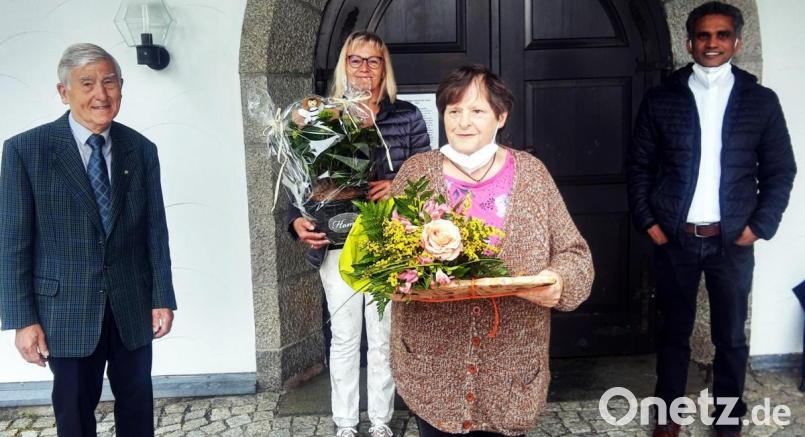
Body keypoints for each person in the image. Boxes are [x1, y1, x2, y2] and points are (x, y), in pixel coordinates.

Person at [387, 64, 594, 436]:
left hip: (511, 376)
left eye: (477, 110)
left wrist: (558, 282)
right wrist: (398, 273)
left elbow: (575, 253)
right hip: (434, 375)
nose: (464, 122)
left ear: (501, 116)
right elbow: (385, 254)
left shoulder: (532, 175)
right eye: (454, 110)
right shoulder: (416, 174)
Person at [627, 3, 796, 436]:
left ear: (737, 42)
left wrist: (759, 226)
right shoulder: (663, 97)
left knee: (732, 338)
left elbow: (780, 170)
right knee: (672, 333)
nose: (712, 43)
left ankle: (728, 418)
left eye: (722, 35)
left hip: (732, 240)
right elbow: (639, 165)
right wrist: (649, 221)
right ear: (689, 42)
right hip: (675, 238)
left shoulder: (760, 101)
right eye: (703, 35)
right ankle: (669, 415)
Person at [0, 43, 177, 436]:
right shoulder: (25, 151)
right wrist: (22, 320)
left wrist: (162, 296)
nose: (101, 94)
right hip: (65, 311)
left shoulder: (140, 150)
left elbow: (155, 230)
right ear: (63, 92)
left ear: (121, 87)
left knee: (137, 407)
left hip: (131, 303)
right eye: (87, 84)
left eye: (110, 82)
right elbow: (12, 245)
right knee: (74, 414)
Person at [287, 31, 431, 437]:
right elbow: (297, 181)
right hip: (335, 241)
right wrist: (295, 222)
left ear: (384, 68)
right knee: (346, 336)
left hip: (389, 239)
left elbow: (429, 173)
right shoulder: (322, 117)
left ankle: (381, 421)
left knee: (383, 336)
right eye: (356, 59)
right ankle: (346, 423)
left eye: (373, 60)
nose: (364, 68)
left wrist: (399, 186)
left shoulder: (405, 116)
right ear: (343, 66)